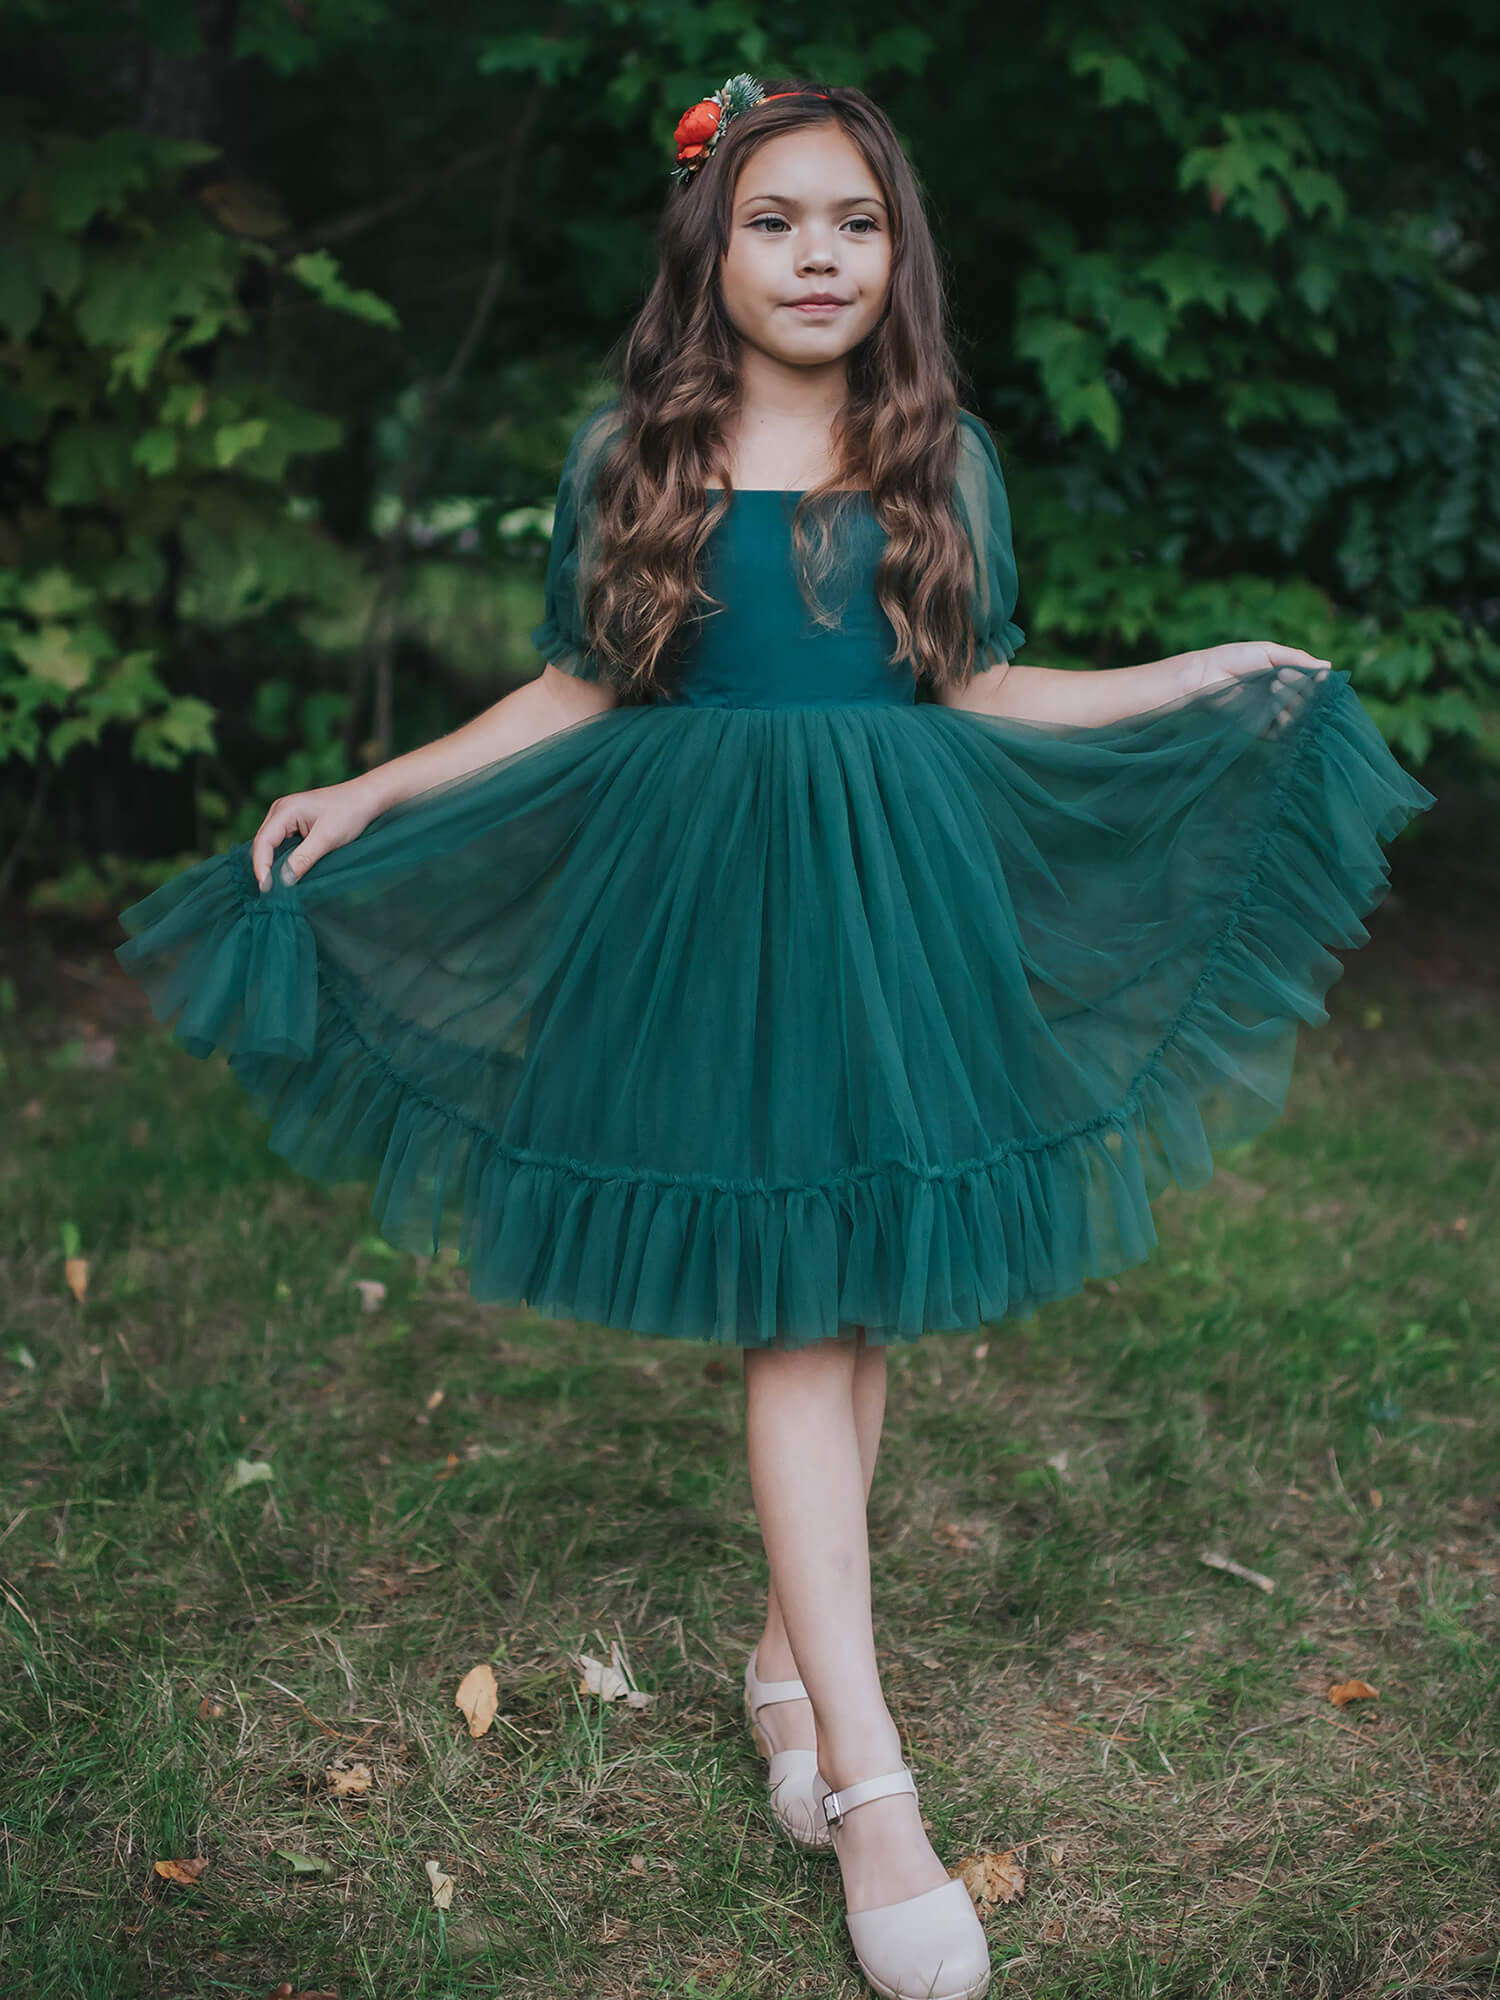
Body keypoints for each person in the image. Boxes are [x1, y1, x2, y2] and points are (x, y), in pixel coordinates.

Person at [114, 74, 1436, 2000]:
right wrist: (376, 788)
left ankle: (783, 1668)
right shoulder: (637, 454)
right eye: (776, 219)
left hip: (893, 900)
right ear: (710, 248)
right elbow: (579, 684)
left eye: (856, 223)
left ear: (899, 253)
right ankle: (876, 1795)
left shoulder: (939, 456)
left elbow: (981, 685)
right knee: (800, 1316)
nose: (820, 256)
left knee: (859, 1289)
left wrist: (1204, 673)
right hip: (718, 907)